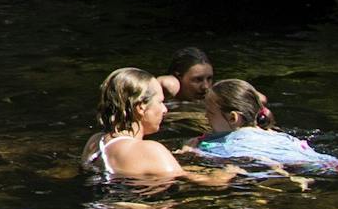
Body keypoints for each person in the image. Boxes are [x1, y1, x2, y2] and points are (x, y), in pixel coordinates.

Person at [82, 67, 236, 183]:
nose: (165, 109)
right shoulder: (151, 150)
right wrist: (228, 172)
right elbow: (210, 183)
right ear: (141, 107)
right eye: (161, 102)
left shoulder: (95, 142)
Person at [191, 78, 338, 170]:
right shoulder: (275, 135)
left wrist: (190, 149)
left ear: (233, 118)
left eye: (210, 113)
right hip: (321, 160)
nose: (206, 116)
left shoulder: (219, 145)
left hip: (277, 166)